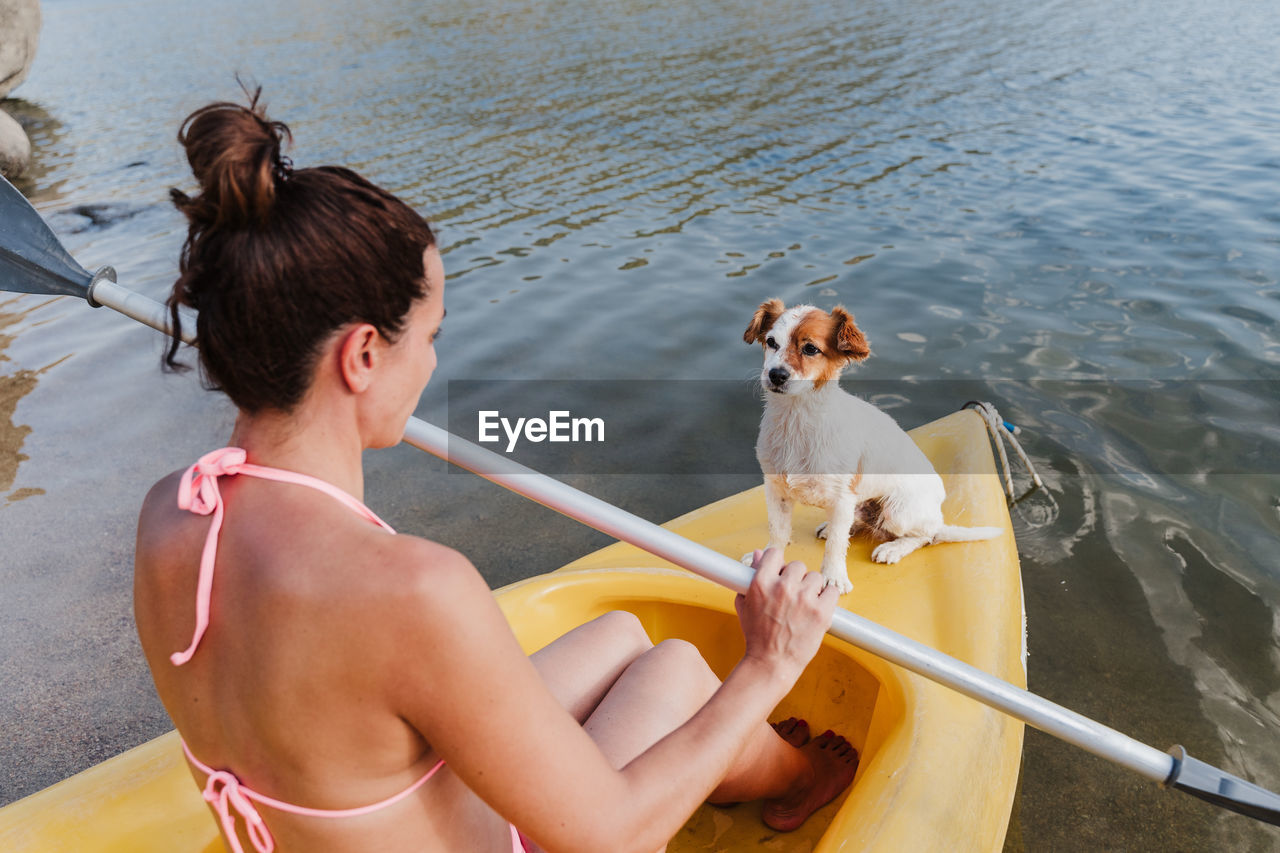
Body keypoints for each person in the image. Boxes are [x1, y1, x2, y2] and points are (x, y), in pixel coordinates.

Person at [133, 90, 858, 853]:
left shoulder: (168, 513)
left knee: (619, 636)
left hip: (336, 799)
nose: (435, 361)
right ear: (363, 356)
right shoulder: (411, 589)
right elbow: (611, 836)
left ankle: (756, 750)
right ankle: (795, 775)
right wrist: (770, 664)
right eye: (430, 336)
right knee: (675, 672)